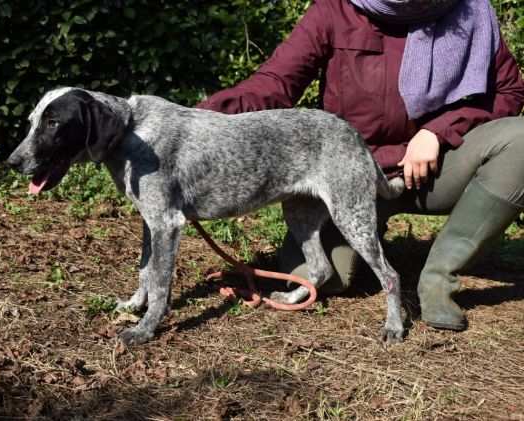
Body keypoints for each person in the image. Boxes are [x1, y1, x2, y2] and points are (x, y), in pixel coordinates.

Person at [196, 0, 524, 330]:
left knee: (519, 140)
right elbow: (274, 85)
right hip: (345, 175)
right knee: (322, 279)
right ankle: (364, 238)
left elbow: (509, 91)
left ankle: (439, 277)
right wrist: (202, 121)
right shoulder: (333, 9)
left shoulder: (470, 10)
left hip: (429, 169)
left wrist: (438, 132)